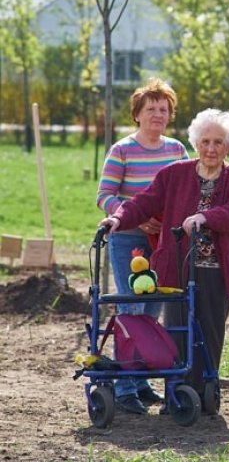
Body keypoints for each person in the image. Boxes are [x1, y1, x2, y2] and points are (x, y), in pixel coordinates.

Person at [99, 108, 229, 403]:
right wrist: (118, 219)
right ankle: (177, 396)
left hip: (216, 268)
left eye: (218, 142)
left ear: (228, 146)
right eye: (205, 141)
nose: (210, 148)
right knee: (177, 332)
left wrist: (204, 217)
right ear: (196, 143)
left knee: (209, 332)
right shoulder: (174, 174)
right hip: (178, 268)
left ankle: (207, 392)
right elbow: (144, 202)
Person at [95, 77, 188, 415]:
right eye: (151, 109)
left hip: (163, 241)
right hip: (129, 240)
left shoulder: (177, 150)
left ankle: (142, 379)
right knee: (132, 307)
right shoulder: (122, 150)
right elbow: (104, 196)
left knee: (154, 308)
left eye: (163, 109)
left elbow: (187, 190)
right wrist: (137, 218)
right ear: (137, 114)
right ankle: (123, 387)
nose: (157, 115)